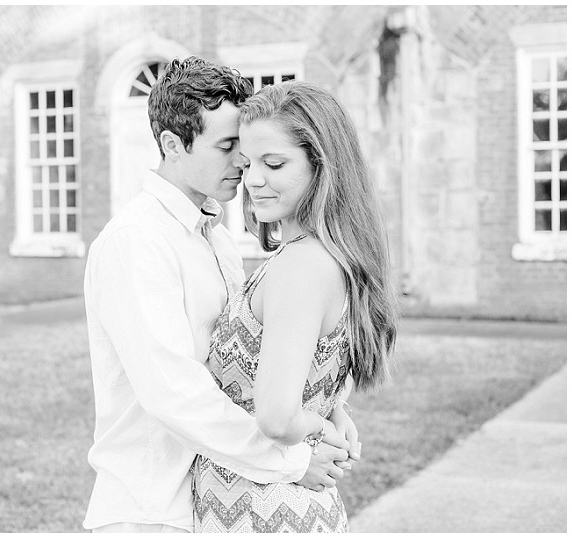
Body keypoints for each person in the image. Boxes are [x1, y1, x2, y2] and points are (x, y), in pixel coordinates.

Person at [82, 58, 359, 533]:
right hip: (154, 510)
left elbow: (245, 365)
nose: (243, 165)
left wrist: (326, 407)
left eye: (247, 150)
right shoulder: (136, 241)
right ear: (172, 144)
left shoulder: (218, 239)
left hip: (218, 500)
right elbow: (174, 394)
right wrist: (293, 460)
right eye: (228, 146)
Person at [193, 81, 398, 532]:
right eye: (248, 164)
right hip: (279, 507)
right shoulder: (320, 257)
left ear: (321, 166)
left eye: (275, 163)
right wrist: (330, 415)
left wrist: (323, 431)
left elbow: (278, 416)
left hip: (262, 514)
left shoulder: (301, 266)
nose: (253, 180)